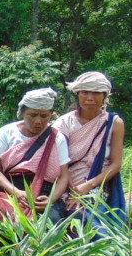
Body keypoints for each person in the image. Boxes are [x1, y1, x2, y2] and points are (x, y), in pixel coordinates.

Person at [53, 71, 126, 227]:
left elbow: (116, 164)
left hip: (98, 185)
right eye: (85, 92)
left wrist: (88, 186)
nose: (90, 98)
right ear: (78, 94)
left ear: (105, 95)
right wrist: (74, 191)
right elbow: (58, 161)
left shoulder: (114, 122)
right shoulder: (64, 123)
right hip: (64, 184)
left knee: (95, 224)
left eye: (96, 93)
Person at [0, 88, 71, 224]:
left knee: (50, 224)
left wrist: (51, 199)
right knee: (6, 221)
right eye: (32, 115)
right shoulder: (7, 132)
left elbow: (63, 176)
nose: (38, 121)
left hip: (44, 193)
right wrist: (16, 192)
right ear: (22, 114)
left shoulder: (56, 138)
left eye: (44, 116)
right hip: (9, 188)